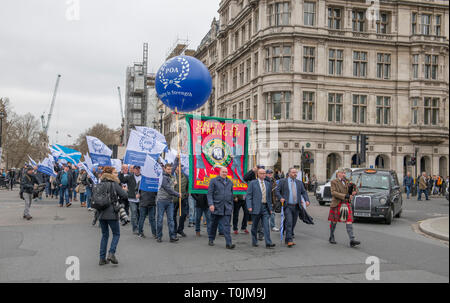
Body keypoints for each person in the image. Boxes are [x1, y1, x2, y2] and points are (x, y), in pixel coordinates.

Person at [96, 166, 128, 266]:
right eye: (115, 173)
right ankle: (111, 253)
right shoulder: (114, 184)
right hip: (112, 212)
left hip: (101, 212)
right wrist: (125, 190)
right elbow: (124, 195)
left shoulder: (100, 183)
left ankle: (102, 258)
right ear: (110, 174)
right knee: (116, 234)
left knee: (105, 235)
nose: (117, 174)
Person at [275, 167, 310, 248]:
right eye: (293, 172)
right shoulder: (283, 181)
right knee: (289, 222)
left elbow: (304, 192)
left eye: (296, 172)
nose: (295, 174)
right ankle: (290, 240)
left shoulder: (299, 183)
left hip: (296, 206)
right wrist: (280, 198)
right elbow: (277, 191)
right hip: (287, 205)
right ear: (289, 173)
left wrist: (307, 200)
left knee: (293, 223)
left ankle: (288, 238)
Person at [329, 167, 360, 247]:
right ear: (338, 173)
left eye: (344, 173)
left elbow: (355, 189)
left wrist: (354, 191)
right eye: (342, 173)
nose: (344, 174)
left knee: (349, 220)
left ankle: (352, 240)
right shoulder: (334, 182)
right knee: (334, 221)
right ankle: (331, 236)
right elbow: (333, 193)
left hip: (346, 203)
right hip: (337, 203)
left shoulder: (347, 181)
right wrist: (345, 195)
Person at [246, 168, 276, 249]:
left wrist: (270, 208)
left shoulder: (267, 183)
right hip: (255, 207)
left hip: (265, 207)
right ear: (257, 174)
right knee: (254, 226)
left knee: (266, 226)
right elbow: (248, 196)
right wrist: (249, 206)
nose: (263, 175)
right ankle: (254, 241)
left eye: (264, 173)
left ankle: (268, 243)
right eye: (261, 173)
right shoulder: (252, 183)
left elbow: (269, 197)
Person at [207, 166, 235, 249]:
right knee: (213, 224)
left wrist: (231, 206)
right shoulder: (214, 181)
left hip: (226, 208)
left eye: (226, 172)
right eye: (223, 172)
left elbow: (231, 194)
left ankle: (228, 243)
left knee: (226, 226)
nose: (224, 173)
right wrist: (211, 204)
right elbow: (209, 194)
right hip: (216, 206)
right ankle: (211, 239)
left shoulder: (230, 182)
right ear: (220, 172)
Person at [156, 163, 181, 243]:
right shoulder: (163, 177)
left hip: (170, 201)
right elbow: (168, 189)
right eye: (168, 169)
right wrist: (178, 194)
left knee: (171, 220)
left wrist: (177, 159)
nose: (170, 171)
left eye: (170, 169)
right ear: (165, 169)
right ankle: (159, 236)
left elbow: (174, 167)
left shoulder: (170, 175)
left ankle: (172, 237)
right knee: (160, 220)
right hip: (161, 201)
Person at [121, 166, 142, 234]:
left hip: (140, 198)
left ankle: (139, 227)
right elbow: (122, 180)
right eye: (136, 169)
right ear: (133, 170)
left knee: (139, 214)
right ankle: (135, 228)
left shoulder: (143, 177)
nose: (138, 170)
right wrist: (121, 173)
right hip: (132, 198)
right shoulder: (129, 176)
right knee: (134, 212)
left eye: (139, 169)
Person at [172, 156, 189, 238]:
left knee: (183, 214)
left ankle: (180, 229)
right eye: (178, 166)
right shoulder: (172, 176)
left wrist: (186, 194)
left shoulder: (185, 176)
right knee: (173, 215)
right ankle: (174, 230)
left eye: (180, 167)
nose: (179, 168)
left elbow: (187, 187)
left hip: (183, 199)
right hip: (174, 199)